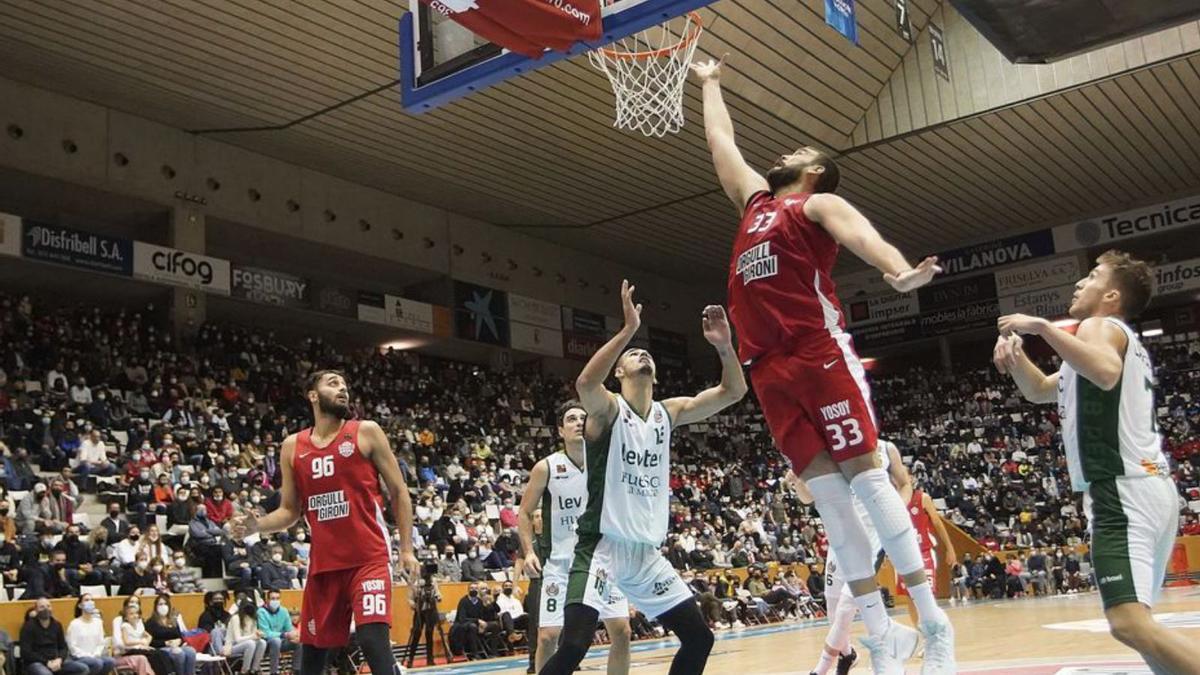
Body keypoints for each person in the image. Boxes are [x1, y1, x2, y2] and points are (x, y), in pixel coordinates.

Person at [693, 57, 952, 674]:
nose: (785, 152)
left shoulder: (815, 206)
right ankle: (882, 638)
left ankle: (932, 621)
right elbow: (719, 142)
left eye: (799, 151)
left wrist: (897, 270)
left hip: (816, 349)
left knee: (867, 478)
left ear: (812, 173)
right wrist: (710, 85)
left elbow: (860, 232)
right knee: (832, 504)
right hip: (765, 365)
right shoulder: (754, 204)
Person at [994, 250, 1195, 675]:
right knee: (1140, 627)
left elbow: (1103, 371)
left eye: (1091, 277)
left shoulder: (1098, 327)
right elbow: (1041, 390)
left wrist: (1044, 327)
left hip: (1121, 489)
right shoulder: (1105, 342)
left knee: (1127, 623)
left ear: (1112, 296)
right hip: (1147, 486)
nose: (1080, 283)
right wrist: (1017, 361)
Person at [539, 283, 747, 675]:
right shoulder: (607, 412)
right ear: (618, 371)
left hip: (646, 555)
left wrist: (723, 345)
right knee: (574, 646)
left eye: (645, 352)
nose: (642, 354)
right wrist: (627, 331)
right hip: (600, 547)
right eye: (634, 354)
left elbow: (734, 390)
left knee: (700, 638)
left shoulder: (669, 413)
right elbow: (585, 384)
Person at [231, 370, 417, 675]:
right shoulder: (292, 446)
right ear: (313, 395)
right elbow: (290, 511)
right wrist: (258, 525)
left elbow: (399, 491)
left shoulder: (366, 431)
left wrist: (406, 550)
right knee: (311, 661)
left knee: (372, 641)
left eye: (345, 385)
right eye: (333, 384)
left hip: (368, 559)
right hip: (324, 567)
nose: (342, 389)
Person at [519, 401, 633, 675]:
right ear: (560, 430)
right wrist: (529, 552)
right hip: (561, 566)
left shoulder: (605, 463)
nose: (579, 422)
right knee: (548, 637)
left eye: (584, 417)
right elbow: (524, 512)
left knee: (622, 630)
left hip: (602, 561)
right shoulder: (546, 467)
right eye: (571, 419)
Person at [788, 439, 911, 675]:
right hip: (842, 536)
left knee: (847, 605)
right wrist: (797, 481)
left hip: (874, 535)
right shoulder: (831, 453)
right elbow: (807, 498)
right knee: (834, 610)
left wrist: (896, 509)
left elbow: (905, 484)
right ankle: (850, 655)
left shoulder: (886, 449)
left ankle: (821, 669)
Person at [894, 488, 956, 628]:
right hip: (903, 554)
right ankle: (920, 631)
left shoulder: (923, 498)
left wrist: (949, 548)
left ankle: (934, 631)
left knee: (927, 594)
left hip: (924, 551)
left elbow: (938, 523)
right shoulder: (892, 497)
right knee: (910, 596)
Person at [21, 597, 90, 675]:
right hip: (36, 663)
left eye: (48, 606)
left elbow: (63, 647)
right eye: (42, 607)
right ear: (36, 610)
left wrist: (59, 659)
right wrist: (47, 662)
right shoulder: (28, 627)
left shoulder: (57, 625)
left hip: (56, 661)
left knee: (83, 669)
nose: (46, 609)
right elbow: (26, 652)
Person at [114, 596, 174, 675]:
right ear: (126, 617)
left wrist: (146, 644)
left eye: (136, 613)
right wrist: (140, 642)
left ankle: (170, 672)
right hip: (130, 650)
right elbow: (126, 642)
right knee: (153, 656)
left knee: (161, 653)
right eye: (131, 614)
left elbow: (149, 636)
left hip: (140, 647)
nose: (135, 616)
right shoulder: (125, 626)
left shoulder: (139, 624)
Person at [65, 594, 117, 675]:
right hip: (79, 657)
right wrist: (87, 655)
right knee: (97, 663)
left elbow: (101, 642)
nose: (90, 602)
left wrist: (96, 654)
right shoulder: (74, 624)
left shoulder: (98, 622)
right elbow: (72, 646)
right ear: (80, 605)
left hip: (95, 655)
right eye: (86, 600)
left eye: (91, 600)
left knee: (111, 661)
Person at [145, 594, 196, 675]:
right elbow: (151, 642)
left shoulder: (173, 620)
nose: (163, 606)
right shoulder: (151, 622)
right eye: (160, 604)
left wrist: (179, 641)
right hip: (162, 648)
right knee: (179, 654)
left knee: (191, 651)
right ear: (156, 606)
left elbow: (181, 636)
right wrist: (166, 643)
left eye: (165, 604)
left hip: (176, 645)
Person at [257, 590, 299, 675]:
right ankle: (274, 672)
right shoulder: (261, 612)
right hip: (266, 642)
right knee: (276, 641)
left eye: (277, 598)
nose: (275, 601)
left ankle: (297, 670)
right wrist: (284, 634)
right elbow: (265, 633)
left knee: (300, 641)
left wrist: (294, 635)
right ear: (267, 600)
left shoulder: (284, 611)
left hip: (282, 640)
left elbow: (289, 629)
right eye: (273, 598)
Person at [224, 601, 268, 675]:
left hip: (248, 645)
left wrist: (258, 635)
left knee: (262, 642)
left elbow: (254, 636)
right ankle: (244, 671)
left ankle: (254, 670)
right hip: (231, 647)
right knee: (250, 643)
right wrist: (252, 637)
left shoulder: (253, 619)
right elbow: (237, 639)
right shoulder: (236, 618)